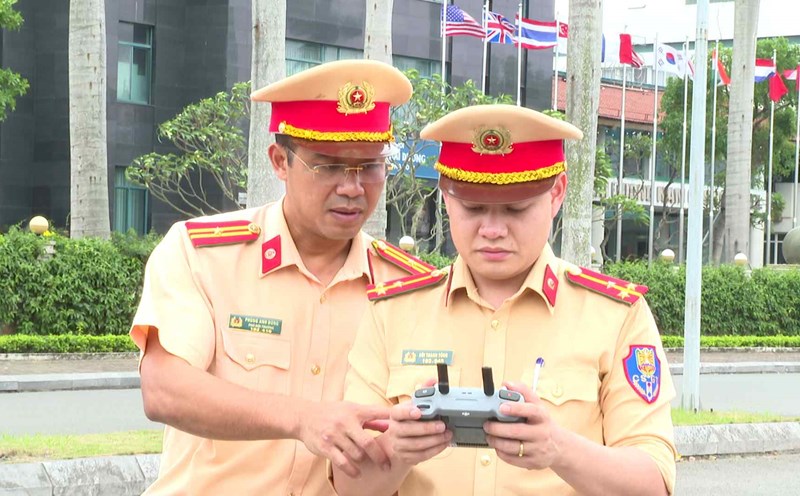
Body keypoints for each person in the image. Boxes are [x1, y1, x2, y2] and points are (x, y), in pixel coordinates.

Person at [334, 104, 678, 495]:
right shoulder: (392, 313)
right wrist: (397, 450)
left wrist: (558, 448)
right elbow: (349, 485)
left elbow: (654, 483)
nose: (493, 229)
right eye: (473, 207)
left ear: (557, 193)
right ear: (446, 197)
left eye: (516, 208)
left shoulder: (615, 317)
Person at [131, 59, 422, 495]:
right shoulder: (202, 254)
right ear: (280, 161)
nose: (352, 187)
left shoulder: (409, 290)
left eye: (369, 166)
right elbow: (164, 389)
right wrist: (302, 418)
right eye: (328, 167)